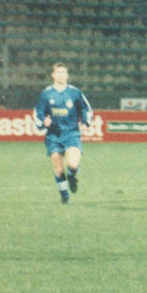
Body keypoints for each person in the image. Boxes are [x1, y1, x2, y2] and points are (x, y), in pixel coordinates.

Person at [33, 63, 93, 204]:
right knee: (59, 169)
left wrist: (85, 122)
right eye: (58, 72)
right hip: (53, 135)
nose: (60, 75)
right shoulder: (46, 94)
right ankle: (64, 195)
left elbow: (86, 109)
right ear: (53, 75)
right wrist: (43, 121)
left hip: (72, 133)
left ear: (67, 75)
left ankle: (72, 177)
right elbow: (38, 113)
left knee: (72, 165)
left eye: (63, 72)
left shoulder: (75, 92)